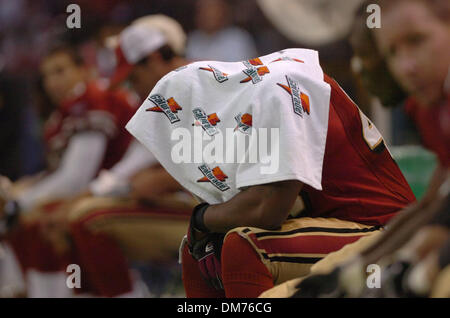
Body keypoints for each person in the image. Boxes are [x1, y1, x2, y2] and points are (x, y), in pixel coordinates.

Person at [126, 44, 415, 297]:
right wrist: (205, 226)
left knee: (245, 246)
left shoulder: (279, 88)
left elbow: (269, 208)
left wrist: (202, 219)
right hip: (338, 220)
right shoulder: (260, 90)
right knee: (200, 248)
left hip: (382, 228)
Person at [260, 0, 450, 298]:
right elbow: (434, 206)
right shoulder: (429, 108)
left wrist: (415, 266)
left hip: (372, 224)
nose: (405, 66)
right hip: (381, 231)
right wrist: (353, 271)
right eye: (391, 53)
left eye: (416, 41)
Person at [0, 43, 137, 297]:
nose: (52, 82)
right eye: (47, 75)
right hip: (99, 189)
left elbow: (76, 178)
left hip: (123, 189)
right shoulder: (62, 113)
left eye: (60, 71)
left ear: (85, 70)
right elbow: (59, 173)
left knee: (34, 220)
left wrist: (19, 203)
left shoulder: (91, 100)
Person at [185, 0, 258, 62]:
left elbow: (244, 72)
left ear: (224, 12)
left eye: (212, 9)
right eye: (202, 9)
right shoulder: (192, 40)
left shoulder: (238, 39)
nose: (207, 14)